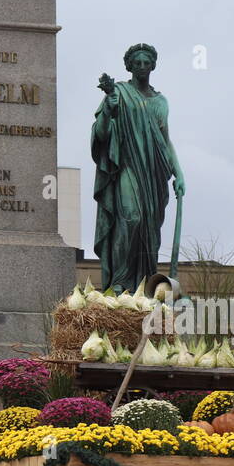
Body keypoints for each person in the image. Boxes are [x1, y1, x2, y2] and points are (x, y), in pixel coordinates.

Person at [91, 43, 186, 292]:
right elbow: (100, 133)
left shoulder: (161, 102)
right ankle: (120, 281)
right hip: (126, 167)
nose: (142, 67)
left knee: (149, 230)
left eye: (146, 62)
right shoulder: (119, 93)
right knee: (131, 218)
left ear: (153, 65)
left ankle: (144, 284)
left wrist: (179, 173)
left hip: (154, 174)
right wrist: (108, 109)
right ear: (129, 66)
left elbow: (165, 141)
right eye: (137, 63)